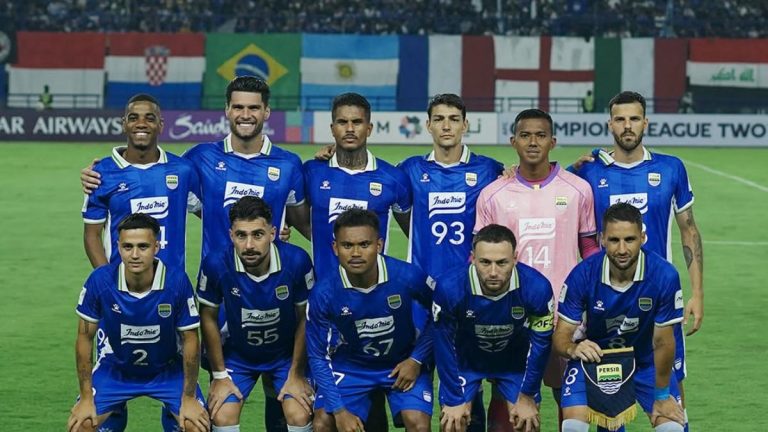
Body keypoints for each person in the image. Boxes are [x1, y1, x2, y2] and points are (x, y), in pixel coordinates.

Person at [81, 78, 303, 431]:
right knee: (212, 394)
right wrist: (98, 173)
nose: (245, 114)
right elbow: (149, 175)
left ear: (266, 112)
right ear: (227, 110)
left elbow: (303, 219)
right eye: (238, 107)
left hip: (259, 289)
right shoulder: (197, 160)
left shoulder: (286, 164)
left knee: (282, 397)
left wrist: (271, 234)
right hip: (215, 293)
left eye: (253, 107)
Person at [568, 91, 703, 430]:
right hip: (606, 299)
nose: (627, 126)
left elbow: (689, 230)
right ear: (609, 124)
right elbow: (552, 190)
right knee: (609, 398)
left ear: (646, 122)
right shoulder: (589, 171)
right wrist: (514, 172)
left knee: (672, 392)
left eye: (634, 118)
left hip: (658, 297)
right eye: (620, 119)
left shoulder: (670, 168)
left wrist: (697, 293)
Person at [475, 108, 599, 430]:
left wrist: (593, 299)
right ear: (513, 141)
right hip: (511, 315)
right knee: (509, 397)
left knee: (567, 396)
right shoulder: (493, 194)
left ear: (552, 142)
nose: (533, 142)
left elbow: (590, 250)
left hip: (566, 315)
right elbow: (479, 259)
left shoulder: (578, 189)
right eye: (525, 135)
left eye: (540, 135)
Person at [397, 93, 503, 431]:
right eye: (439, 119)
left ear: (465, 125)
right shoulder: (410, 170)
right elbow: (397, 211)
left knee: (468, 391)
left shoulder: (488, 169)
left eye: (454, 119)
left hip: (469, 294)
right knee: (414, 383)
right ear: (428, 125)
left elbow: (523, 186)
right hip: (420, 295)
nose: (447, 126)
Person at [67, 213, 209, 432]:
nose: (134, 254)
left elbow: (190, 339)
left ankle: (172, 414)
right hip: (115, 369)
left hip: (168, 370)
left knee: (196, 426)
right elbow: (84, 338)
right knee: (81, 425)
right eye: (127, 247)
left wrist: (189, 397)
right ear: (118, 247)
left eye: (143, 246)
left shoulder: (176, 282)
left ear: (156, 247)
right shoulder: (100, 281)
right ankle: (115, 410)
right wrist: (86, 397)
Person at [553, 203, 686, 432]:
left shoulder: (664, 275)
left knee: (673, 428)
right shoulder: (583, 274)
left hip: (645, 363)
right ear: (602, 239)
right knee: (573, 426)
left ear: (642, 238)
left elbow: (663, 342)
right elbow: (561, 336)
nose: (622, 249)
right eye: (614, 240)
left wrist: (662, 395)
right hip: (595, 362)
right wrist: (573, 349)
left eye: (630, 240)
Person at [306, 209, 434, 432]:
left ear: (379, 245)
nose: (356, 253)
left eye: (364, 244)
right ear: (335, 248)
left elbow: (441, 316)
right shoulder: (324, 293)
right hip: (352, 365)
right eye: (347, 245)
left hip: (402, 360)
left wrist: (416, 359)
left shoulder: (407, 276)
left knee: (418, 423)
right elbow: (317, 355)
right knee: (323, 423)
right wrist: (339, 411)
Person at [197, 196, 314, 432]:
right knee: (222, 416)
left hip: (285, 356)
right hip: (238, 356)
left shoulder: (297, 261)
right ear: (231, 235)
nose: (249, 245)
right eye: (241, 235)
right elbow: (207, 317)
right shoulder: (216, 264)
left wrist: (296, 373)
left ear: (272, 233)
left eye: (258, 234)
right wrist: (219, 375)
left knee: (299, 415)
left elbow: (305, 318)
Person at [434, 224, 554, 432]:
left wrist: (527, 394)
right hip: (466, 362)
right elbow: (443, 344)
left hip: (514, 364)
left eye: (502, 263)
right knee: (453, 423)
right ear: (473, 258)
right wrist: (454, 399)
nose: (493, 272)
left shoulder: (537, 288)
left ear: (515, 258)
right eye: (485, 262)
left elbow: (540, 345)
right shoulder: (450, 287)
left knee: (527, 423)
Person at [82, 93, 200, 273]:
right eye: (133, 118)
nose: (141, 124)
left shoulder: (183, 170)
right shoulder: (101, 174)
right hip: (122, 284)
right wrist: (106, 280)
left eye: (149, 118)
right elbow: (92, 235)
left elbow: (212, 216)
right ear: (124, 124)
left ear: (160, 125)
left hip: (172, 284)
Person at [303, 92, 411, 281]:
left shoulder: (394, 178)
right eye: (342, 122)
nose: (350, 128)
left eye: (357, 122)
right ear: (332, 129)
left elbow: (416, 236)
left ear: (369, 128)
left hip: (374, 290)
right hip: (324, 290)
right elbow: (288, 216)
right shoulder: (311, 172)